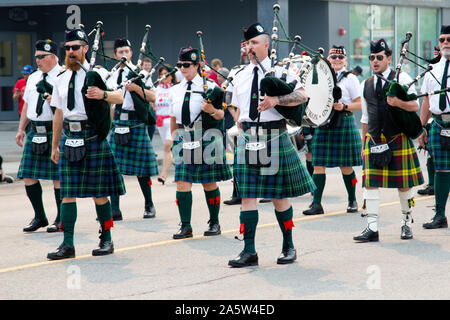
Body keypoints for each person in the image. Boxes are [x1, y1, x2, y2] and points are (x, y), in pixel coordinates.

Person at [227, 23, 315, 268]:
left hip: (274, 136)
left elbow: (302, 96)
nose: (250, 47)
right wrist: (242, 131)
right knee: (247, 196)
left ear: (266, 45)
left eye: (255, 43)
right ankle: (249, 251)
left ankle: (289, 245)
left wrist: (276, 99)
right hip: (248, 138)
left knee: (279, 196)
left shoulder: (282, 71)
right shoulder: (238, 74)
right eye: (248, 43)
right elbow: (237, 109)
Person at [47, 28, 126, 260]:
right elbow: (59, 113)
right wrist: (54, 146)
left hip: (92, 136)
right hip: (69, 139)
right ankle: (67, 244)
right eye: (68, 48)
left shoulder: (97, 73)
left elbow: (119, 97)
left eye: (75, 47)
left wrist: (102, 94)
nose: (71, 52)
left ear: (85, 49)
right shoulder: (60, 77)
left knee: (99, 194)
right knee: (66, 194)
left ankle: (107, 238)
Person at [354, 38, 423, 242]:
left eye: (379, 57)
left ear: (389, 58)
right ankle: (372, 227)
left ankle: (406, 223)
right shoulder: (365, 84)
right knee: (370, 185)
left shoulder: (401, 78)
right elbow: (365, 117)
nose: (375, 61)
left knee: (403, 185)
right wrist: (363, 142)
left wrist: (398, 102)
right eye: (372, 58)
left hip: (397, 138)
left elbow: (415, 106)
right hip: (374, 140)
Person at [169, 47, 232, 239]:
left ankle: (214, 223)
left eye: (186, 65)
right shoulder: (175, 89)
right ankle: (186, 226)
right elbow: (174, 117)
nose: (182, 68)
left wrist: (211, 109)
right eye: (180, 65)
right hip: (184, 136)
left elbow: (221, 115)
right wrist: (174, 138)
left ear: (197, 66)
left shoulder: (211, 87)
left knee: (208, 182)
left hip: (206, 136)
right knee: (182, 183)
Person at [303, 45, 362, 215]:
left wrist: (344, 106)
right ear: (328, 59)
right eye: (333, 57)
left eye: (340, 58)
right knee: (318, 164)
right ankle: (316, 204)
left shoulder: (350, 79)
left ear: (345, 60)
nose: (336, 60)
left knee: (345, 166)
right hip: (323, 123)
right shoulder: (321, 76)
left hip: (343, 120)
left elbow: (359, 104)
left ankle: (352, 200)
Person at [107, 38, 158, 221]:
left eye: (126, 51)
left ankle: (149, 204)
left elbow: (153, 96)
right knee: (113, 168)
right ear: (115, 55)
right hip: (118, 124)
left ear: (131, 53)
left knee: (142, 170)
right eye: (120, 52)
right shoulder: (111, 75)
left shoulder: (141, 73)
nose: (123, 55)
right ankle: (115, 210)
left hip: (135, 123)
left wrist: (136, 88)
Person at [15, 39, 63, 233]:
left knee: (58, 177)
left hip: (55, 129)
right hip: (35, 130)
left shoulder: (63, 76)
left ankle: (61, 218)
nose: (38, 61)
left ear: (53, 57)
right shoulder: (34, 77)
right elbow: (27, 104)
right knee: (28, 175)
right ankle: (40, 216)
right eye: (36, 57)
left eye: (41, 57)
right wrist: (20, 129)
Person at [418, 25, 450, 229]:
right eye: (442, 40)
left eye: (449, 39)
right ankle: (440, 215)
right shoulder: (433, 71)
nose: (445, 43)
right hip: (438, 124)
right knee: (441, 170)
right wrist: (422, 128)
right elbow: (426, 102)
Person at [417, 45, 441, 196]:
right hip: (436, 119)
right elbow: (426, 99)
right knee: (432, 151)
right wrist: (421, 126)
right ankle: (432, 184)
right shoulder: (430, 72)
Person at [154, 65, 176, 185]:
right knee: (168, 149)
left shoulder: (174, 89)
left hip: (172, 121)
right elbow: (153, 103)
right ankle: (177, 167)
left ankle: (163, 175)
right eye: (161, 74)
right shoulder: (157, 89)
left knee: (167, 146)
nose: (164, 77)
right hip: (160, 122)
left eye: (166, 74)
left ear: (171, 76)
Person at [141, 57, 156, 141]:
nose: (147, 67)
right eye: (145, 65)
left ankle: (149, 145)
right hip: (143, 104)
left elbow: (152, 88)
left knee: (152, 125)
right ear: (141, 65)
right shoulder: (141, 74)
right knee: (147, 126)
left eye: (149, 65)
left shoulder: (148, 76)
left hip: (149, 104)